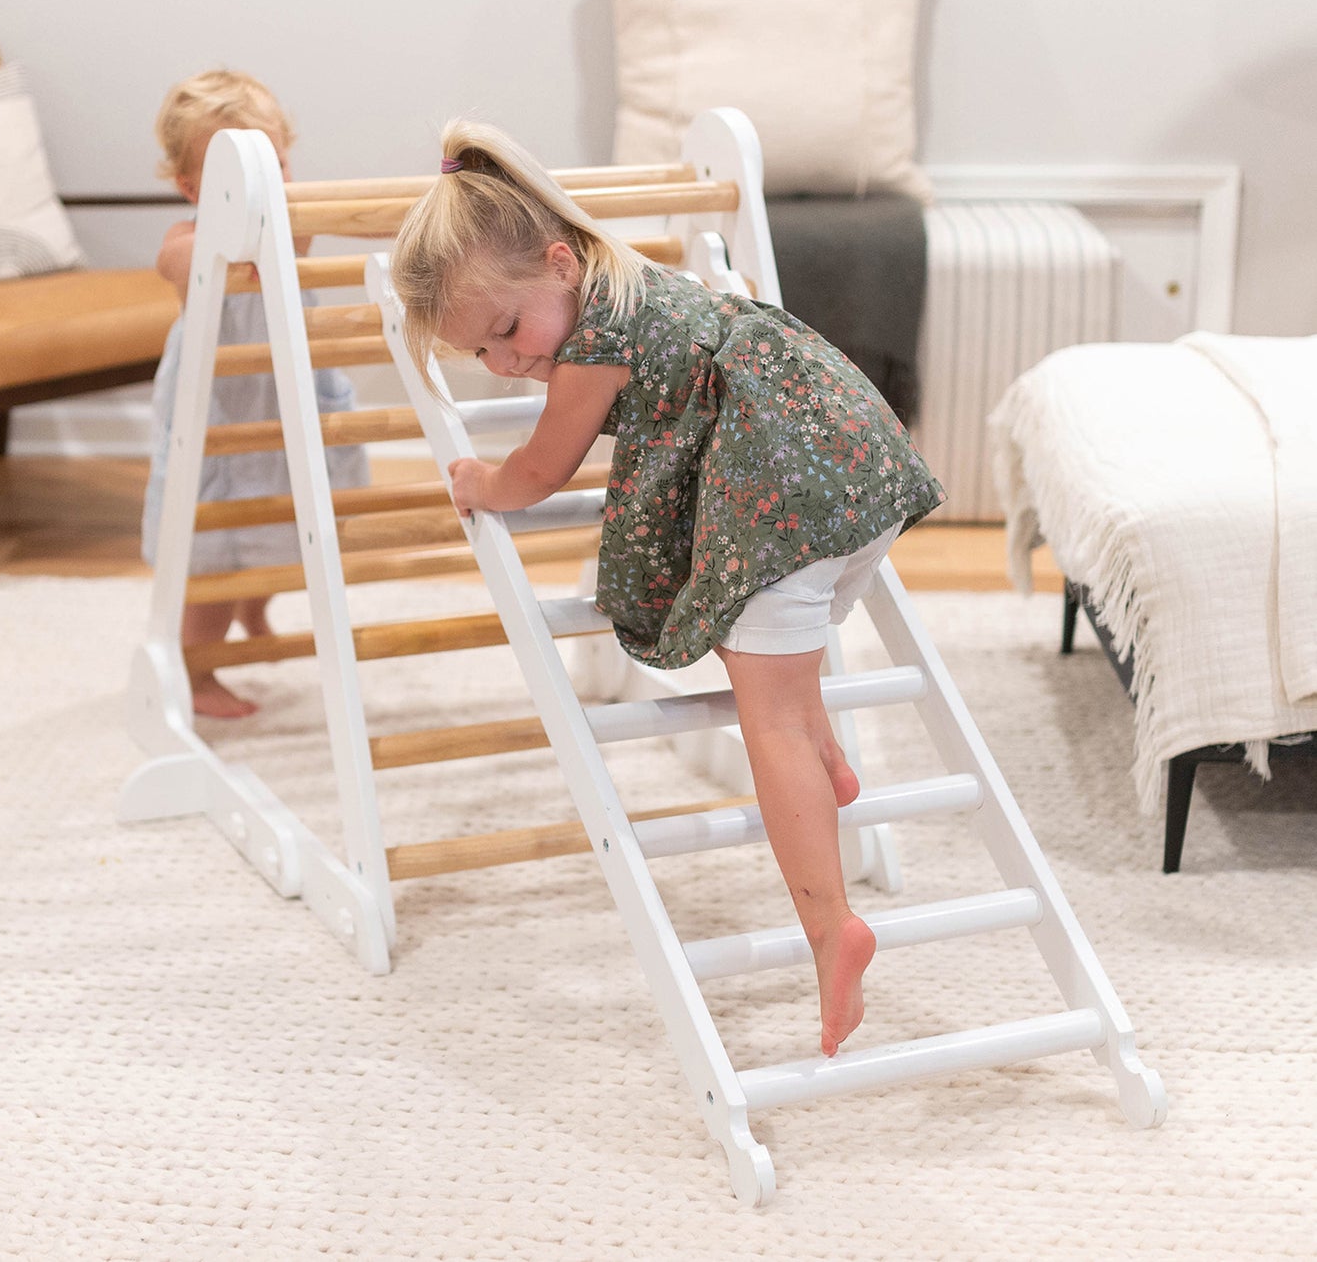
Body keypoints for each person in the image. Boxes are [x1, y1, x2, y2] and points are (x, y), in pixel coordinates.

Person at [390, 120, 944, 1057]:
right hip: (859, 471)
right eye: (482, 355)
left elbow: (541, 469)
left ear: (561, 265)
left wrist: (482, 483)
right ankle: (827, 756)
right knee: (768, 647)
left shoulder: (593, 346)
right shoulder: (657, 289)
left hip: (785, 497)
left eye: (508, 330)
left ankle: (829, 928)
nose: (509, 362)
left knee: (759, 716)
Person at [142, 69, 369, 718]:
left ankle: (255, 608)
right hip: (220, 419)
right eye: (233, 177)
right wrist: (218, 252)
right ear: (191, 188)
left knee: (288, 529)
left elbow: (305, 235)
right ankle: (199, 668)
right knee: (217, 553)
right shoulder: (183, 241)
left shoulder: (291, 225)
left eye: (274, 164)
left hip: (289, 404)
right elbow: (178, 267)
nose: (262, 186)